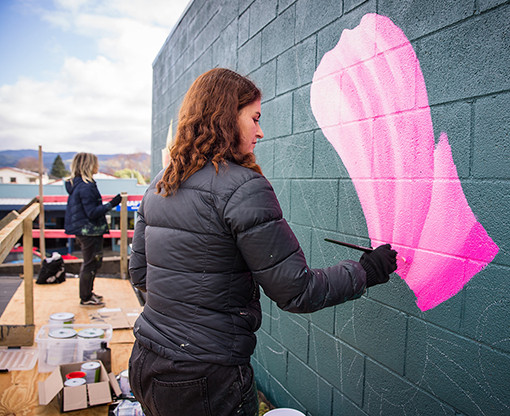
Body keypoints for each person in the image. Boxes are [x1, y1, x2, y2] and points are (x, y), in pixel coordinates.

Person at [128, 68, 398, 416]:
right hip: (203, 379)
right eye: (254, 118)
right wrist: (366, 271)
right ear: (225, 118)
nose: (260, 131)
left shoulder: (159, 185)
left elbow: (140, 274)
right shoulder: (242, 188)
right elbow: (296, 291)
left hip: (147, 362)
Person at [64, 152, 121, 307]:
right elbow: (92, 212)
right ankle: (86, 297)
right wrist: (113, 203)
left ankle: (88, 293)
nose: (98, 166)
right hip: (89, 232)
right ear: (89, 165)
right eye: (96, 163)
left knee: (92, 263)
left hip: (84, 231)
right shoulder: (86, 187)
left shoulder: (77, 184)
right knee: (91, 263)